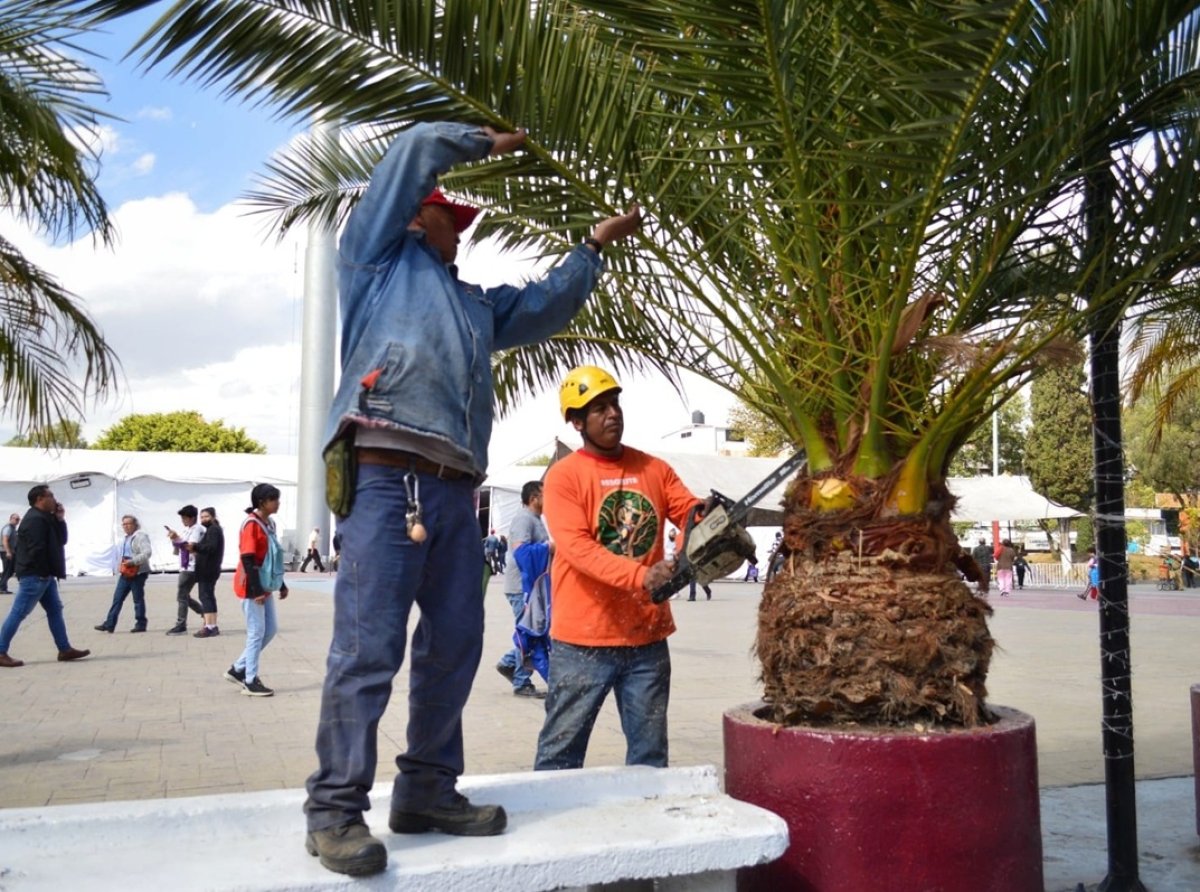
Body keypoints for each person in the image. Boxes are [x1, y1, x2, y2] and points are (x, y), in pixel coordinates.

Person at [301, 120, 641, 878]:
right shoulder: (373, 262)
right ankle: (332, 811)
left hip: (456, 493)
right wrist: (474, 141)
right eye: (451, 218)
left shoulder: (475, 307)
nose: (461, 231)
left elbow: (547, 305)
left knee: (454, 645)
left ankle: (425, 790)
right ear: (418, 216)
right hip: (387, 478)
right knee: (368, 650)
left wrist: (591, 248)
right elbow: (404, 160)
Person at [534, 366, 703, 772]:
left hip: (646, 637)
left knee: (648, 756)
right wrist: (641, 576)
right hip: (583, 642)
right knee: (561, 754)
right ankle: (551, 832)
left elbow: (687, 509)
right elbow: (576, 548)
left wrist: (703, 518)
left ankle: (648, 823)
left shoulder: (653, 469)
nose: (612, 414)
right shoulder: (563, 478)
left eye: (615, 405)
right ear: (577, 422)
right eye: (599, 409)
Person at [0, 485, 89, 667]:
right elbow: (36, 550)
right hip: (35, 576)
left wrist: (60, 518)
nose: (54, 499)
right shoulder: (34, 520)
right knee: (18, 613)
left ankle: (64, 649)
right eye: (51, 496)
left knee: (55, 610)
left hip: (45, 576)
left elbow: (62, 540)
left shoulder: (46, 518)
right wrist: (41, 572)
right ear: (40, 498)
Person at [224, 484, 288, 696]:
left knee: (269, 630)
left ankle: (238, 669)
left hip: (265, 582)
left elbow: (273, 556)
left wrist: (281, 584)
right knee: (256, 633)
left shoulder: (268, 523)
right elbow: (248, 558)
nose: (278, 503)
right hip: (252, 585)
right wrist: (256, 590)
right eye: (274, 499)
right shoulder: (252, 525)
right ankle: (250, 680)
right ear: (262, 501)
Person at [495, 481, 550, 698]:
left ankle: (509, 663)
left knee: (530, 632)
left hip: (534, 587)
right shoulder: (523, 518)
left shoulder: (536, 520)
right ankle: (521, 682)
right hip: (521, 587)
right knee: (528, 631)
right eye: (546, 495)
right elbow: (522, 552)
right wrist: (548, 547)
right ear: (534, 498)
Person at [94, 515, 153, 633]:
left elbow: (147, 552)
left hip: (138, 572)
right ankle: (109, 624)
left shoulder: (141, 536)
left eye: (128, 524)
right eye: (124, 524)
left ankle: (141, 624)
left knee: (137, 599)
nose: (126, 526)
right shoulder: (125, 538)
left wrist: (132, 561)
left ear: (135, 525)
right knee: (117, 598)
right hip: (125, 571)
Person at [165, 504, 204, 635]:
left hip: (191, 567)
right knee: (184, 596)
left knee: (182, 596)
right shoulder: (187, 529)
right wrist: (175, 538)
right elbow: (180, 544)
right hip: (185, 565)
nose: (182, 520)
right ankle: (205, 612)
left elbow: (190, 546)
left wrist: (177, 538)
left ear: (192, 517)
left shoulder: (197, 529)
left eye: (184, 518)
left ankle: (181, 624)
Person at [191, 507, 225, 638]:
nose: (204, 519)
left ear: (213, 516)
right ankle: (211, 625)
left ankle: (209, 626)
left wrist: (195, 547)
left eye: (206, 516)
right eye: (202, 517)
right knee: (208, 596)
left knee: (205, 596)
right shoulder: (211, 530)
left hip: (208, 569)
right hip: (209, 568)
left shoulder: (214, 530)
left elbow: (211, 547)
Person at [0, 512, 19, 594]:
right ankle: (2, 588)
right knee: (7, 570)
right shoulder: (8, 528)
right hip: (5, 552)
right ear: (11, 519)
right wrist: (8, 552)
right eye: (16, 519)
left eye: (18, 519)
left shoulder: (13, 528)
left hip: (11, 552)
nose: (17, 521)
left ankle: (3, 586)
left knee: (10, 570)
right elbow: (4, 540)